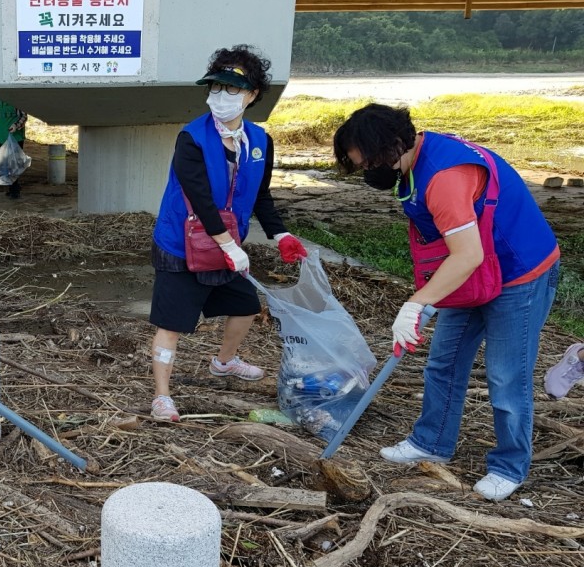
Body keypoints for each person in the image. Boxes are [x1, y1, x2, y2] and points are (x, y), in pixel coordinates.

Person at [334, 103, 560, 501]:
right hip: (473, 271)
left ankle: (509, 466)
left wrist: (416, 303)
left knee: (507, 376)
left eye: (370, 162)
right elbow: (460, 252)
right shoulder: (415, 162)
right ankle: (432, 442)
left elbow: (467, 254)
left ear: (394, 145)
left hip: (517, 273)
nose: (369, 171)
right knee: (445, 361)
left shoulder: (444, 178)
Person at [147, 45, 306, 423]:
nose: (221, 97)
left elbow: (260, 192)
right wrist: (228, 245)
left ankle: (224, 361)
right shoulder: (192, 137)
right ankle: (162, 397)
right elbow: (198, 196)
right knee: (172, 324)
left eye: (232, 90)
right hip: (182, 243)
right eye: (216, 88)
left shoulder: (260, 141)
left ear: (252, 95)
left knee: (246, 305)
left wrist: (280, 234)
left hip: (226, 242)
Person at [0, 96, 28, 198]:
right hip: (2, 136)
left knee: (14, 164)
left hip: (15, 137)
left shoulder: (15, 97)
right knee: (6, 165)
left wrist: (16, 126)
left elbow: (23, 116)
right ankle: (13, 187)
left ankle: (15, 190)